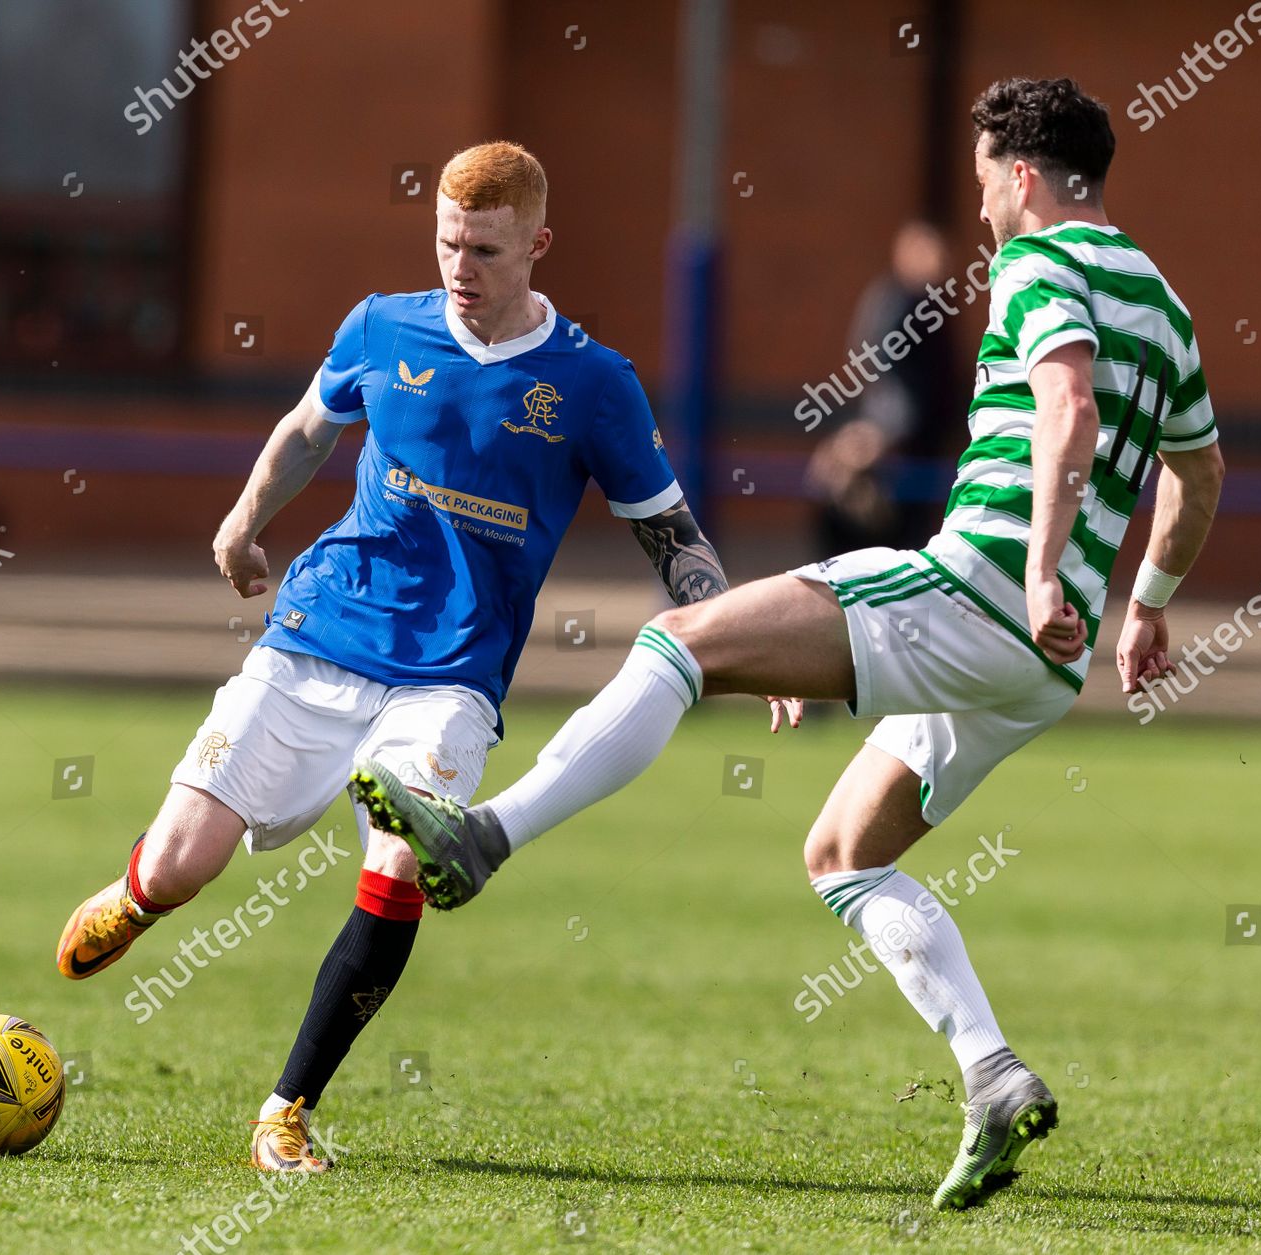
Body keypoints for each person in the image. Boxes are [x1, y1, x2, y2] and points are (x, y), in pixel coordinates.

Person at [351, 78, 1225, 1211]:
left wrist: (1043, 564)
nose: (983, 215)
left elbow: (1068, 414)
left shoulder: (1040, 264)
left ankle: (484, 836)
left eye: (982, 188)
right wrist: (1146, 601)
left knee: (679, 641)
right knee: (846, 852)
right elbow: (1197, 471)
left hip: (977, 595)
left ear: (1021, 177)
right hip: (1045, 663)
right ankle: (994, 1075)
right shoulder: (1163, 302)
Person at [54, 141, 783, 1171]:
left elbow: (670, 532)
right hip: (320, 632)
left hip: (452, 674)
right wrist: (243, 519)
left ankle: (286, 1108)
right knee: (183, 865)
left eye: (484, 248)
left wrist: (744, 636)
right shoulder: (380, 325)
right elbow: (312, 427)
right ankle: (137, 895)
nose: (461, 266)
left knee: (402, 861)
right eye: (448, 242)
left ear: (538, 244)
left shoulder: (593, 383)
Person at [806, 221, 959, 555]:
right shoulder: (901, 303)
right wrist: (882, 430)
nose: (939, 260)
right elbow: (882, 370)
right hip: (904, 437)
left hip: (923, 438)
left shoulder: (929, 305)